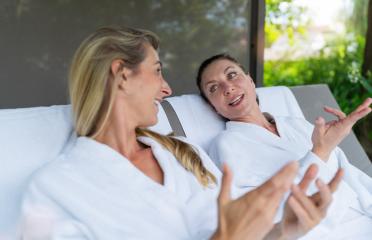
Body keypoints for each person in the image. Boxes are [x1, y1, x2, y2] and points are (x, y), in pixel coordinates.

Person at [19, 27, 341, 240]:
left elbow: (237, 231)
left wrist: (283, 231)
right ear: (122, 74)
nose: (167, 89)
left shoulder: (185, 154)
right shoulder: (56, 189)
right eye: (157, 71)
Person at [196, 53, 372, 239]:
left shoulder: (296, 124)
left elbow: (350, 174)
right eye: (213, 88)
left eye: (232, 75)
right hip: (323, 232)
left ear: (250, 80)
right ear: (213, 106)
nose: (227, 88)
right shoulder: (227, 145)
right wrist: (320, 152)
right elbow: (267, 210)